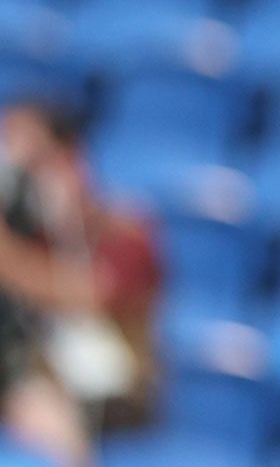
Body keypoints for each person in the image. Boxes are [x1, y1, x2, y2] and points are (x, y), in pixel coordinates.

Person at [0, 100, 161, 466]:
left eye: (35, 162)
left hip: (116, 395)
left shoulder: (125, 227)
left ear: (72, 159)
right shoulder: (25, 234)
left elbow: (91, 296)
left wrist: (9, 257)